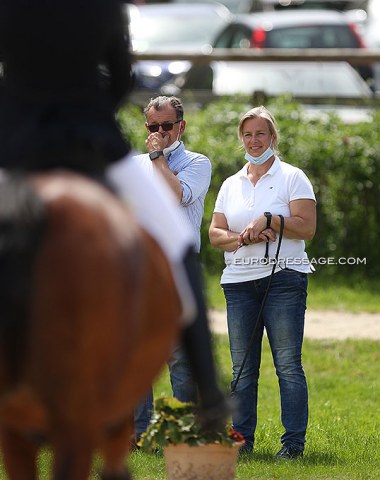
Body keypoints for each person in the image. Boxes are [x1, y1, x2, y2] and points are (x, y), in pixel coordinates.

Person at [0, 0, 228, 434]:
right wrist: (90, 106)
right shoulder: (102, 7)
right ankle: (209, 391)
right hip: (91, 141)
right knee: (176, 242)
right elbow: (121, 76)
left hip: (16, 142)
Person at [209, 105, 316, 459]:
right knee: (242, 369)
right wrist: (244, 237)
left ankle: (293, 445)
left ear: (273, 137)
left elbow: (307, 227)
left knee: (287, 365)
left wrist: (270, 218)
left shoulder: (292, 177)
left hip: (284, 278)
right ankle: (242, 441)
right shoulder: (230, 183)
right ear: (242, 138)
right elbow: (215, 234)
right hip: (238, 282)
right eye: (248, 134)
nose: (254, 141)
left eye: (261, 134)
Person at [132, 95, 212, 441]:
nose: (160, 132)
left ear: (181, 126)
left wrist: (157, 158)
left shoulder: (197, 162)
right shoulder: (133, 166)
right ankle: (137, 432)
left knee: (180, 359)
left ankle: (181, 432)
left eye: (167, 126)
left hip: (179, 270)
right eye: (153, 127)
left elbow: (176, 196)